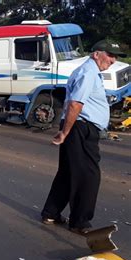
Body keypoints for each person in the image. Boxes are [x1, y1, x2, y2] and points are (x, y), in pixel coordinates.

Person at [41, 40, 126, 235]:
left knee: (69, 172)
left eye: (116, 57)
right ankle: (80, 222)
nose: (113, 60)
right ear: (97, 54)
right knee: (88, 175)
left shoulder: (90, 72)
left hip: (79, 127)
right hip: (81, 127)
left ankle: (51, 213)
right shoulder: (88, 72)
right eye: (110, 55)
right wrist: (65, 132)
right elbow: (75, 104)